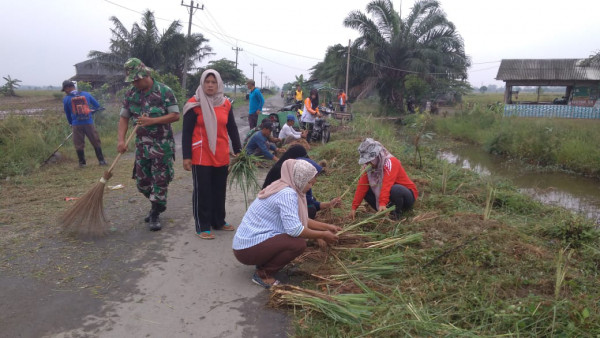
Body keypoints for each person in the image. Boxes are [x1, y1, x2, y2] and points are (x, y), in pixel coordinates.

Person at [233, 159, 340, 288]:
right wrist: (323, 235)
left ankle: (263, 262)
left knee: (293, 239)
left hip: (245, 245)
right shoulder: (287, 194)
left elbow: (302, 220)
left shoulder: (282, 186)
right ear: (301, 179)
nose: (311, 186)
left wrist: (327, 227)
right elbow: (295, 230)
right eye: (310, 183)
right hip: (247, 249)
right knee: (298, 243)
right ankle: (263, 274)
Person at [117, 58, 180, 231]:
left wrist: (152, 121)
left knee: (160, 180)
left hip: (162, 145)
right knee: (142, 182)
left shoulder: (164, 91)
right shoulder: (131, 94)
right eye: (132, 80)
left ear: (146, 75)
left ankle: (155, 212)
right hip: (142, 146)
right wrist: (121, 140)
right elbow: (124, 118)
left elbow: (175, 115)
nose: (135, 83)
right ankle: (157, 204)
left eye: (137, 79)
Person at [182, 69, 242, 240]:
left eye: (213, 82)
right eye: (207, 81)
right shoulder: (194, 104)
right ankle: (202, 225)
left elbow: (232, 128)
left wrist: (238, 150)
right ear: (202, 83)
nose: (210, 85)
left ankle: (218, 221)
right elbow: (186, 132)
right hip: (201, 153)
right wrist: (186, 156)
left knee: (219, 189)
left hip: (221, 153)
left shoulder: (226, 104)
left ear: (219, 84)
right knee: (203, 190)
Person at [262, 147, 341, 219]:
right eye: (313, 178)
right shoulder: (286, 184)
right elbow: (296, 229)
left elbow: (308, 200)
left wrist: (329, 204)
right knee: (310, 210)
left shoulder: (297, 175)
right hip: (271, 216)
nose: (315, 181)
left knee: (311, 202)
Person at [350, 138, 418, 220]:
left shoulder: (391, 162)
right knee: (366, 191)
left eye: (369, 160)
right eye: (366, 161)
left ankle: (396, 214)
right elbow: (362, 186)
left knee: (396, 189)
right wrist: (354, 207)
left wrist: (382, 202)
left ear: (376, 156)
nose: (367, 163)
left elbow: (387, 184)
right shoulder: (368, 167)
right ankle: (383, 211)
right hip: (387, 198)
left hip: (405, 196)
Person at [61, 80, 106, 167]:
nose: (65, 91)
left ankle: (82, 163)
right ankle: (101, 161)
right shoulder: (86, 94)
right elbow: (97, 105)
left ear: (68, 88)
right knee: (95, 141)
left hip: (76, 124)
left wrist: (71, 123)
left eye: (65, 89)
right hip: (88, 122)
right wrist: (90, 111)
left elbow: (67, 113)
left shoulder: (66, 99)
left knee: (78, 144)